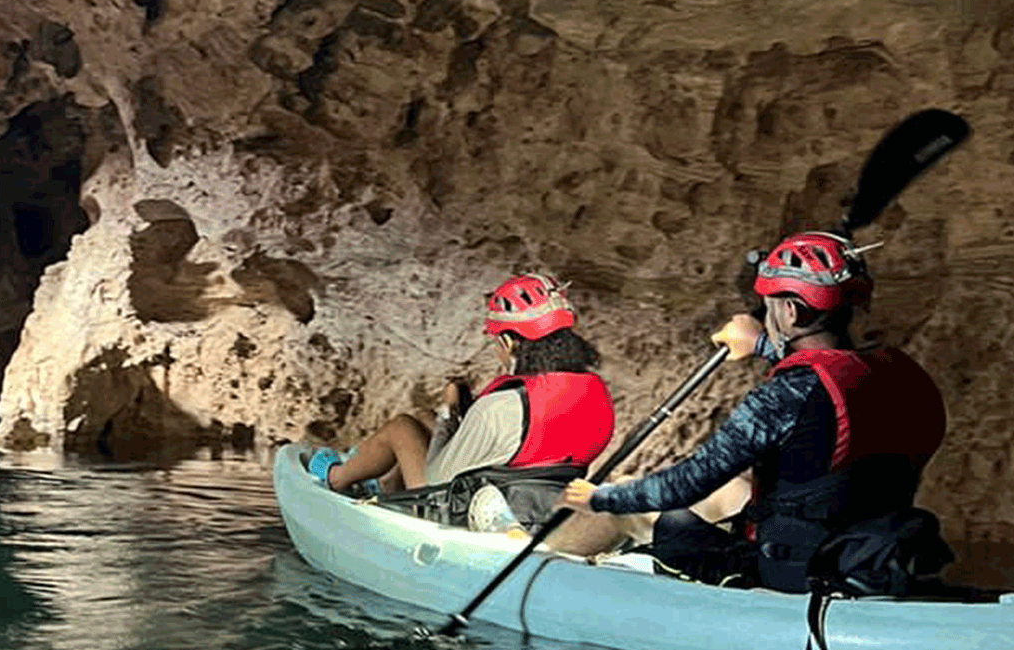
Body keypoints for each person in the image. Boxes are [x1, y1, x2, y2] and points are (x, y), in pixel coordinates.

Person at [554, 232, 950, 593]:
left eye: (771, 306)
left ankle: (545, 565)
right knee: (731, 493)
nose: (768, 315)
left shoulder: (783, 395)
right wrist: (760, 343)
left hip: (791, 570)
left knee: (636, 501)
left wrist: (599, 497)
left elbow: (686, 483)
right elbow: (835, 375)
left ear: (792, 313)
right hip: (867, 550)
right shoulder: (900, 373)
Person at [309, 273, 615, 504]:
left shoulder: (503, 406)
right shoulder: (596, 394)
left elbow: (437, 480)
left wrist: (449, 413)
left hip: (459, 505)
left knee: (403, 428)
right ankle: (384, 481)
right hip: (541, 501)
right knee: (423, 418)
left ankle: (337, 478)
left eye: (497, 342)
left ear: (509, 342)